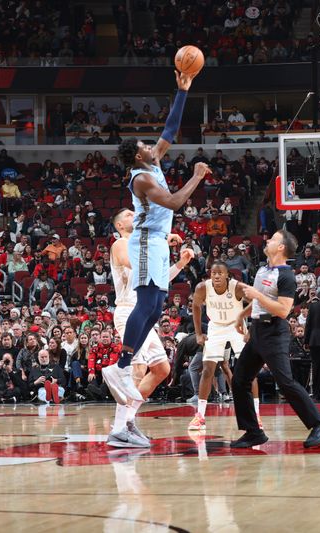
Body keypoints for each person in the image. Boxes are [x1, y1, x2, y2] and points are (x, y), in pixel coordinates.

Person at [102, 68, 208, 404]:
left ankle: (127, 390)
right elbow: (176, 201)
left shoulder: (154, 162)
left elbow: (171, 129)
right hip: (146, 241)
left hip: (159, 240)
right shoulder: (141, 179)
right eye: (145, 146)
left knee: (157, 304)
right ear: (137, 156)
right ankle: (121, 364)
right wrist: (197, 176)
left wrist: (183, 91)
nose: (152, 145)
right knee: (146, 302)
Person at [229, 230, 320, 449]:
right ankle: (253, 432)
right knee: (239, 379)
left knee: (285, 382)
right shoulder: (263, 269)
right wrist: (243, 314)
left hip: (274, 331)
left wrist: (256, 296)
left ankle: (319, 424)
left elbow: (284, 311)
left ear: (281, 248)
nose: (267, 240)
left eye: (273, 239)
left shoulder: (286, 276)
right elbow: (260, 302)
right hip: (258, 330)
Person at [104, 208, 194, 448]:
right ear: (120, 225)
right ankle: (119, 429)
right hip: (128, 311)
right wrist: (159, 242)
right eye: (128, 214)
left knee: (162, 369)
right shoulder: (120, 243)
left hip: (144, 314)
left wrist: (179, 264)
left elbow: (159, 279)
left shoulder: (136, 244)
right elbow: (131, 261)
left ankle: (128, 423)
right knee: (137, 368)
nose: (134, 215)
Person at [189, 261, 261, 431]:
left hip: (236, 326)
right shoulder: (202, 288)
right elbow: (196, 306)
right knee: (207, 370)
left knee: (249, 370)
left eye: (220, 273)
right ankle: (200, 416)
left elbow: (258, 301)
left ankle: (256, 414)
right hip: (215, 327)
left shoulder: (237, 287)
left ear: (227, 275)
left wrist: (251, 328)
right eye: (213, 273)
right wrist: (199, 333)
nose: (216, 276)